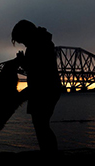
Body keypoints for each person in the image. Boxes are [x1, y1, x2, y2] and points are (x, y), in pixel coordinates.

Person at [12, 20, 62, 152]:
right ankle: (49, 153)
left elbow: (38, 69)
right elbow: (37, 68)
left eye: (22, 40)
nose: (23, 43)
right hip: (46, 88)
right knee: (41, 124)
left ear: (26, 34)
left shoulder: (38, 44)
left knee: (41, 125)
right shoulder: (42, 41)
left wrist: (24, 62)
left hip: (44, 89)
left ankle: (50, 153)